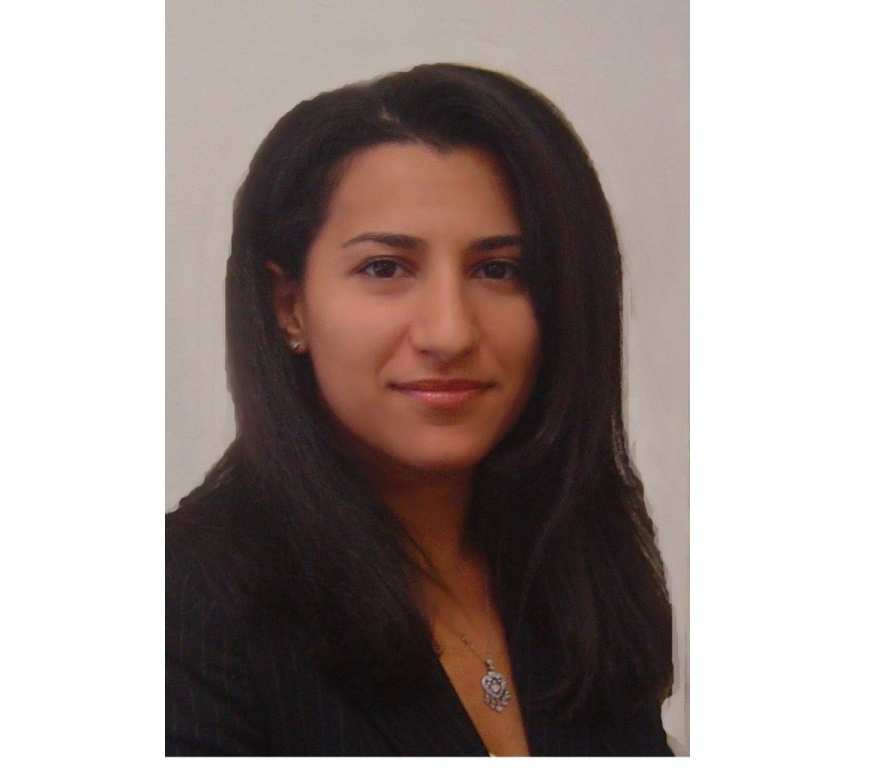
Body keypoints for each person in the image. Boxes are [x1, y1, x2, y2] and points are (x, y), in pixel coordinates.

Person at [166, 63, 674, 756]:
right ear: (290, 307)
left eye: (498, 270)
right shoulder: (183, 606)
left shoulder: (575, 568)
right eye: (385, 268)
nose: (450, 333)